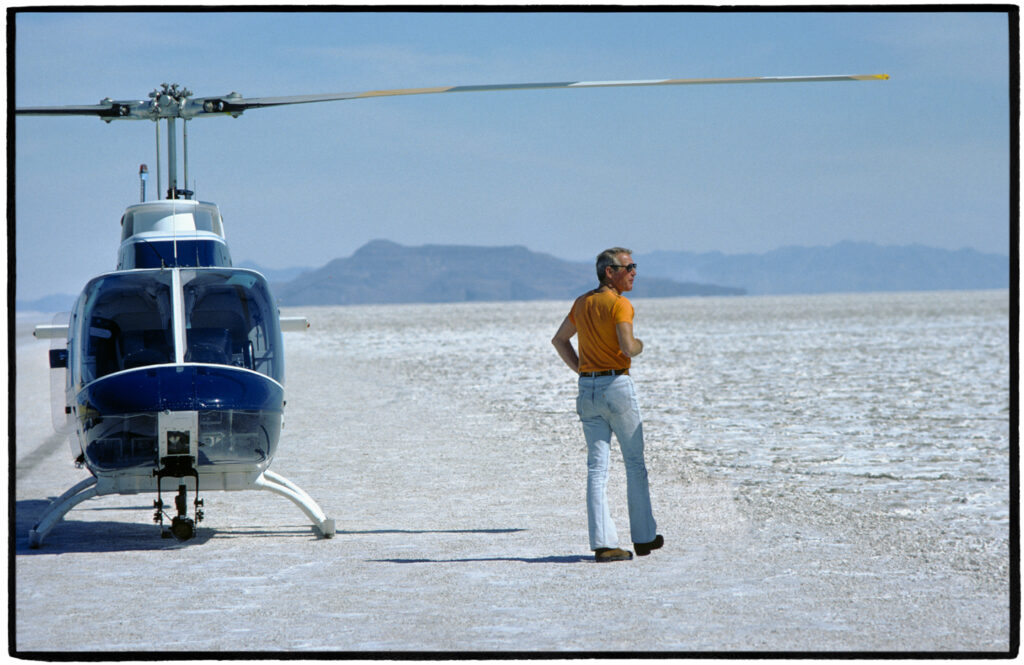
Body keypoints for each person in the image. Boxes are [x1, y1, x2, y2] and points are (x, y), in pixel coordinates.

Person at [551, 247, 664, 563]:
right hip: (617, 387)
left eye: (633, 267)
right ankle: (643, 536)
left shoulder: (582, 303)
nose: (634, 273)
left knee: (597, 467)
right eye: (628, 267)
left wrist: (583, 370)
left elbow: (559, 340)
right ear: (609, 271)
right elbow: (628, 347)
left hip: (588, 388)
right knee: (634, 463)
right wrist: (640, 345)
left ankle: (603, 543)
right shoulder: (619, 305)